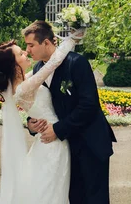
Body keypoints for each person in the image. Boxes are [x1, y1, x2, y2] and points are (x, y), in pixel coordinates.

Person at [23, 21, 116, 204]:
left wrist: (57, 130)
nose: (28, 50)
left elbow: (88, 105)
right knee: (74, 198)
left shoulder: (76, 63)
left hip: (90, 143)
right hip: (65, 148)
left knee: (95, 199)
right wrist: (31, 123)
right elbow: (43, 104)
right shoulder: (38, 69)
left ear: (47, 43)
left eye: (31, 45)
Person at [0, 36, 75, 203]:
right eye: (21, 53)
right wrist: (72, 39)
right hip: (53, 144)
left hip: (44, 144)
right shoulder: (23, 88)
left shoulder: (23, 82)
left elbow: (44, 67)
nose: (26, 53)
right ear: (14, 65)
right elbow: (52, 64)